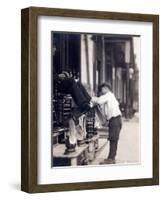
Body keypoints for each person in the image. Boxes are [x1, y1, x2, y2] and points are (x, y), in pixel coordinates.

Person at [91, 83, 122, 164]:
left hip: (115, 119)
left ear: (106, 88)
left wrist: (91, 98)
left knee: (113, 139)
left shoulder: (108, 95)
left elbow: (99, 101)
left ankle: (111, 159)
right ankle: (111, 158)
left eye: (101, 90)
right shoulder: (110, 97)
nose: (101, 92)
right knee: (113, 139)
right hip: (115, 120)